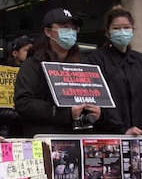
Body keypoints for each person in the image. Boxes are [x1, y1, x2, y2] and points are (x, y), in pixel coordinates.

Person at [14, 8, 112, 136]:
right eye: (64, 27)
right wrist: (64, 113)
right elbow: (24, 103)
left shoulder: (84, 64)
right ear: (48, 32)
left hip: (81, 139)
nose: (70, 32)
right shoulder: (33, 64)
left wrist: (100, 114)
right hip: (46, 140)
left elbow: (102, 99)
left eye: (73, 28)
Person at [85, 8, 142, 135]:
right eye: (116, 28)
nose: (122, 32)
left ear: (133, 30)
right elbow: (98, 99)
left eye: (126, 27)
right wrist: (121, 130)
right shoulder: (95, 60)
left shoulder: (140, 61)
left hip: (141, 134)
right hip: (110, 134)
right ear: (107, 33)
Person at [0, 35, 33, 138]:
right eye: (27, 50)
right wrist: (27, 113)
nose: (31, 54)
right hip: (3, 133)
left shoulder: (33, 74)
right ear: (15, 53)